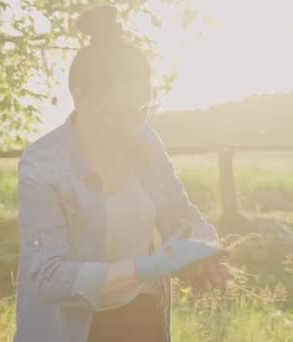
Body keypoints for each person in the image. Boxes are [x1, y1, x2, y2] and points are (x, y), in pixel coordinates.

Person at [13, 5, 230, 342]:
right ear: (79, 97)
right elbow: (47, 276)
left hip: (142, 318)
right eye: (117, 113)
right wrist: (146, 267)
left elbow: (180, 214)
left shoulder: (145, 140)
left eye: (140, 110)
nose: (131, 125)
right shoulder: (42, 165)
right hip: (71, 329)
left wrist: (202, 254)